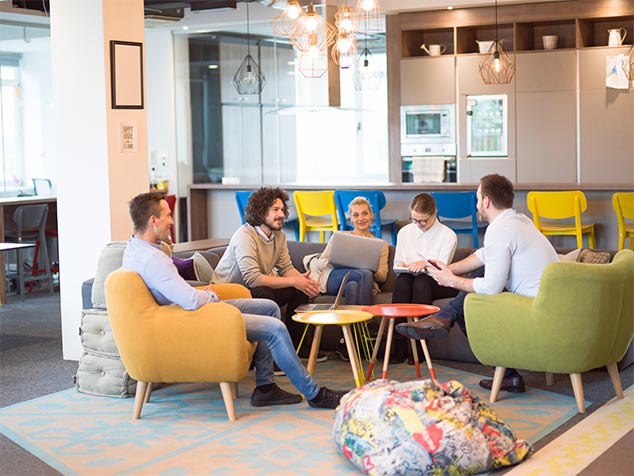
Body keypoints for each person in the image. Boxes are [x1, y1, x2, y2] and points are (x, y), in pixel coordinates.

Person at [122, 191, 346, 409]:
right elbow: (191, 300)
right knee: (274, 328)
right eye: (168, 215)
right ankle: (315, 394)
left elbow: (176, 291)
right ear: (153, 221)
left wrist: (300, 281)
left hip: (194, 308)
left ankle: (265, 388)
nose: (172, 221)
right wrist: (209, 294)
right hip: (192, 315)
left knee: (269, 308)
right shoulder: (154, 259)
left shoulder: (140, 250)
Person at [396, 174, 559, 393]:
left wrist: (452, 280)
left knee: (468, 306)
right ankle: (444, 318)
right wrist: (448, 269)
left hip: (533, 309)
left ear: (486, 201)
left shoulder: (500, 229)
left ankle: (506, 373)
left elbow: (491, 287)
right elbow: (484, 255)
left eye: (477, 198)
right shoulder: (519, 221)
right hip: (547, 303)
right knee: (476, 279)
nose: (476, 204)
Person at [213, 187, 322, 359]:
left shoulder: (279, 236)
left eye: (282, 210)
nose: (281, 214)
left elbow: (286, 268)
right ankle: (272, 357)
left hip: (253, 291)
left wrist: (304, 282)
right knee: (264, 292)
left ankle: (297, 349)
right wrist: (294, 281)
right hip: (228, 295)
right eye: (275, 210)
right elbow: (253, 279)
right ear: (261, 211)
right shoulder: (245, 235)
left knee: (299, 290)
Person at [310, 196, 389, 306]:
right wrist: (331, 262)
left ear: (371, 214)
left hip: (360, 280)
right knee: (364, 274)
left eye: (365, 213)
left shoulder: (381, 244)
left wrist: (372, 269)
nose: (361, 218)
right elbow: (319, 263)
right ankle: (368, 315)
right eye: (355, 215)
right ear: (351, 218)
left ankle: (353, 318)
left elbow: (383, 277)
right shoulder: (339, 237)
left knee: (352, 286)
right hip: (336, 277)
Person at [392, 192, 458, 306]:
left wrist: (425, 264)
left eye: (423, 220)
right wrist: (402, 265)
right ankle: (397, 318)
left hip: (436, 282)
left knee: (422, 281)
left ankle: (422, 318)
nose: (418, 224)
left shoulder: (448, 235)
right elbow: (398, 263)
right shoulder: (404, 232)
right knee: (403, 280)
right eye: (414, 219)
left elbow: (442, 271)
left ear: (434, 213)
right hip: (410, 278)